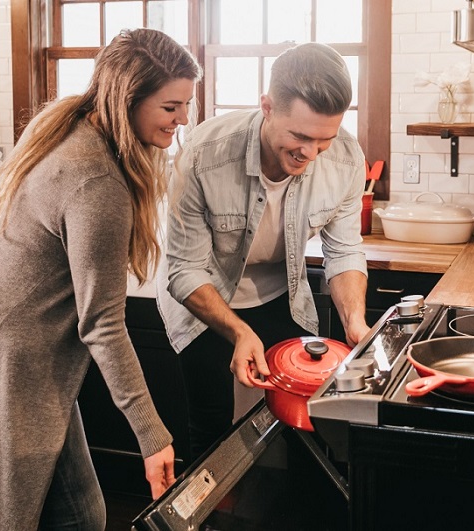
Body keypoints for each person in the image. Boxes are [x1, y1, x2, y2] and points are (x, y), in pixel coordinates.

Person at [0, 28, 201, 530]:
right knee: (49, 516)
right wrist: (154, 437)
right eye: (171, 107)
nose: (182, 119)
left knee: (78, 512)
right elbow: (104, 327)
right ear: (126, 98)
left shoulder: (66, 123)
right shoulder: (96, 181)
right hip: (3, 356)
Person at [156, 42, 371, 462]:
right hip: (204, 296)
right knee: (212, 424)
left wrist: (355, 321)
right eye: (300, 136)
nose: (310, 154)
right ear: (267, 107)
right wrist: (238, 332)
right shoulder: (204, 154)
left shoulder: (346, 159)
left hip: (280, 294)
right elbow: (184, 268)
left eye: (323, 140)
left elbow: (344, 250)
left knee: (303, 420)